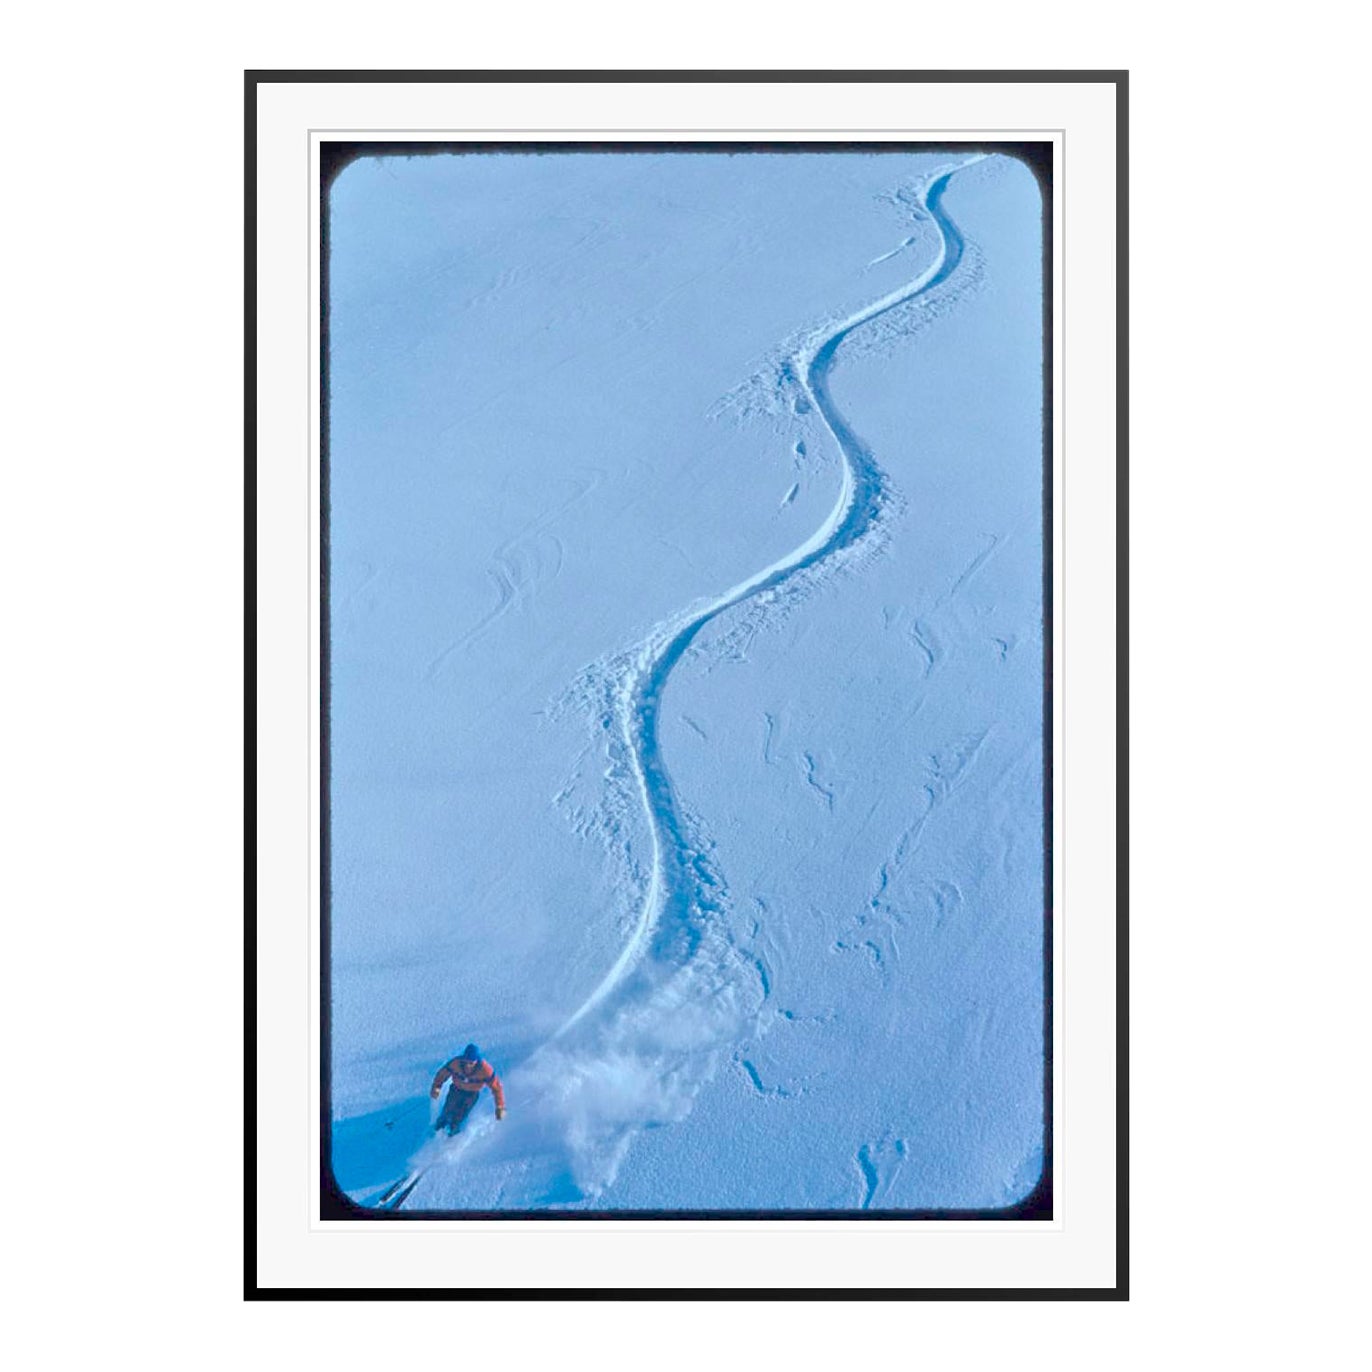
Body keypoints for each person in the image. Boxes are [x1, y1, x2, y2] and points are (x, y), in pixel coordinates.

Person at [430, 1043, 506, 1135]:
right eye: (466, 1061)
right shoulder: (456, 1063)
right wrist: (436, 1087)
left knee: (459, 1116)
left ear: (477, 1061)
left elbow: (496, 1088)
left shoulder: (485, 1070)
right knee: (447, 1110)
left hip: (471, 1095)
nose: (468, 1065)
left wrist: (500, 1106)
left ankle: (452, 1135)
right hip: (456, 1090)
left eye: (471, 1063)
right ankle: (438, 1129)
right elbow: (442, 1074)